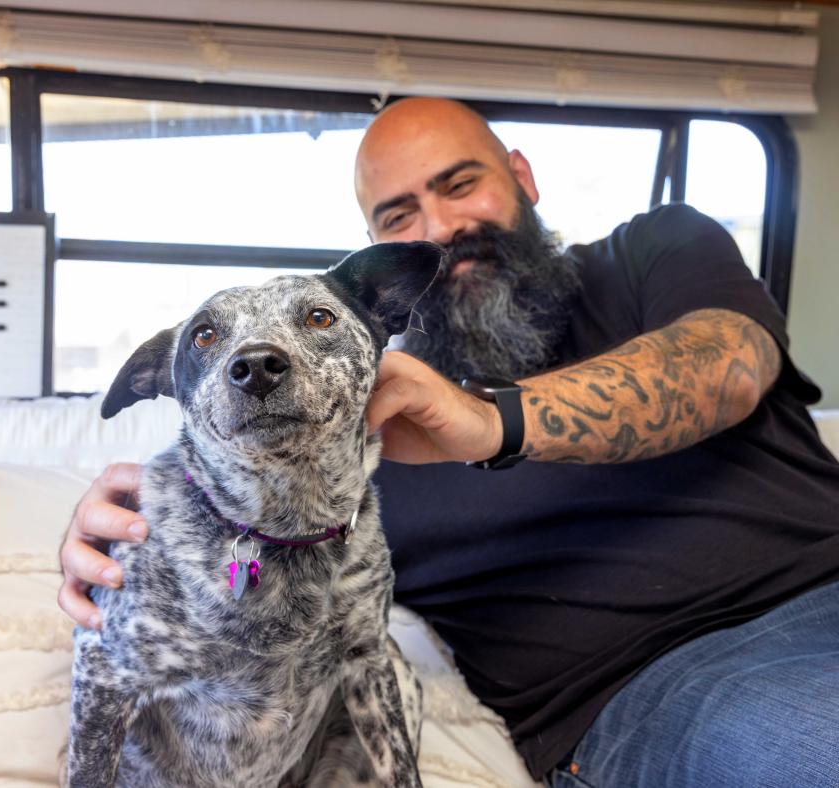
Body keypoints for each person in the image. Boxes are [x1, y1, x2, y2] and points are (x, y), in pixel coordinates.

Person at [58, 98, 839, 787]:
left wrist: (489, 419)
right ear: (380, 251)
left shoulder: (655, 249)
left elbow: (726, 368)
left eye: (461, 184)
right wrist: (140, 518)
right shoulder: (349, 426)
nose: (441, 229)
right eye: (398, 216)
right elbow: (236, 526)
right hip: (663, 687)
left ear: (523, 176)